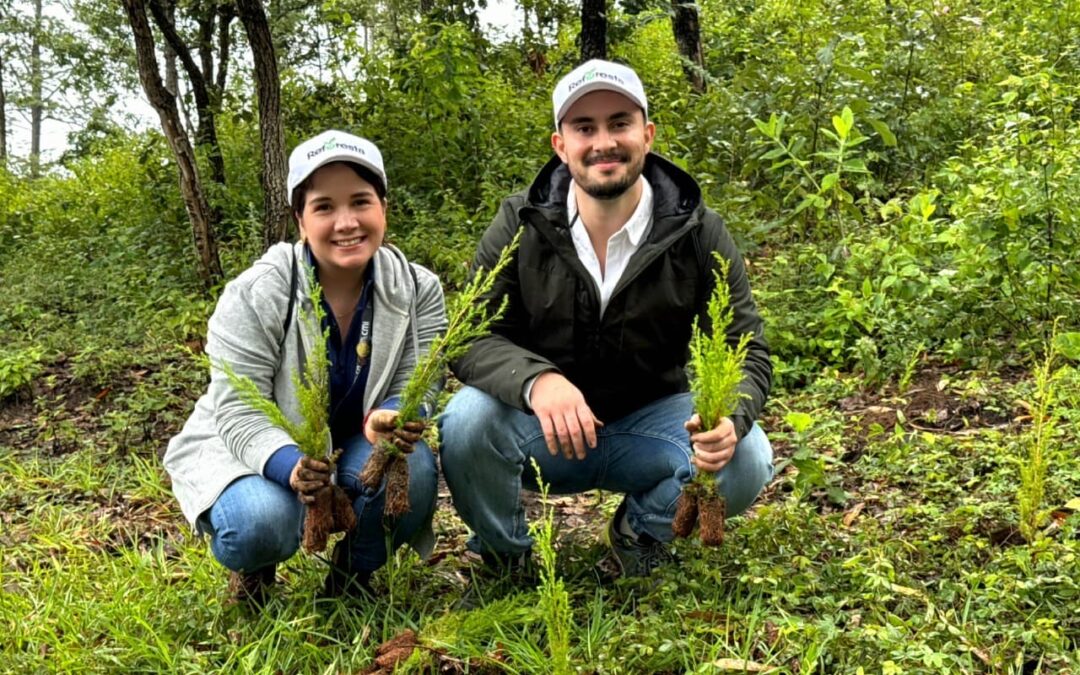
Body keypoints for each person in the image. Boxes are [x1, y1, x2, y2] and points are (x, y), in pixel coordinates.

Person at [438, 60, 773, 578]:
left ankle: (638, 535)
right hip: (544, 432)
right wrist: (537, 381)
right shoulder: (520, 222)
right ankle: (507, 559)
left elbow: (744, 345)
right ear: (560, 145)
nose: (604, 142)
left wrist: (732, 416)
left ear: (647, 134)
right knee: (465, 421)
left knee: (746, 454)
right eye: (584, 128)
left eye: (619, 123)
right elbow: (468, 336)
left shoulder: (697, 230)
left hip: (654, 425)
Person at [164, 130, 447, 602]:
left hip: (357, 443)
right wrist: (291, 467)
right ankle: (255, 568)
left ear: (383, 207)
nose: (346, 222)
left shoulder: (418, 289)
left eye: (360, 201)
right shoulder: (257, 292)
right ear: (299, 220)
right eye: (323, 207)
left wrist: (394, 412)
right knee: (259, 522)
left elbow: (422, 374)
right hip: (254, 448)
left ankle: (353, 577)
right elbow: (238, 408)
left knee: (412, 472)